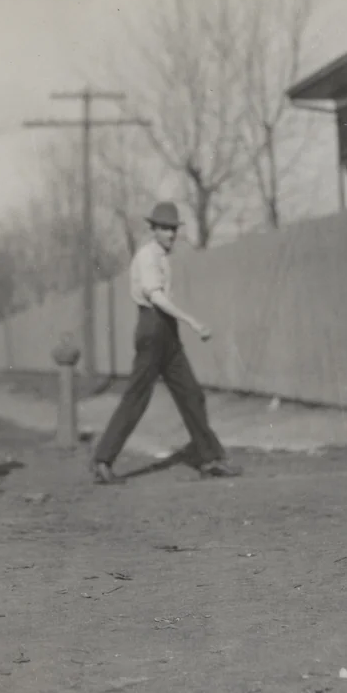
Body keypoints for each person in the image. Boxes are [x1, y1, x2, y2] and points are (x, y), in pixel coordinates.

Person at [90, 201, 243, 485]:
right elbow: (157, 298)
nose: (171, 235)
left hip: (166, 332)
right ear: (153, 229)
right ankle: (103, 460)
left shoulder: (161, 257)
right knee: (137, 397)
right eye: (165, 229)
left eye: (173, 229)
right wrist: (193, 321)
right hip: (152, 328)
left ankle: (209, 459)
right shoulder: (147, 257)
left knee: (191, 393)